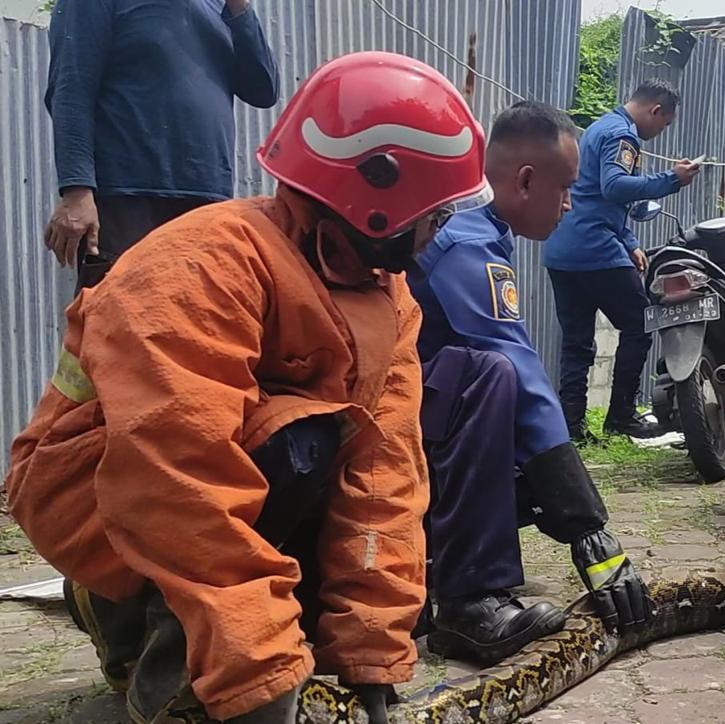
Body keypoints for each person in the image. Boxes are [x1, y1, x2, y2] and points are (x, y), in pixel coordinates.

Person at [4, 52, 490, 724]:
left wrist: (371, 653)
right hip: (92, 490)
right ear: (380, 194)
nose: (443, 226)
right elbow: (178, 467)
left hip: (213, 485)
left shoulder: (386, 299)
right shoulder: (197, 266)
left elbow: (385, 477)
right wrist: (256, 670)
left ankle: (222, 637)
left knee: (335, 444)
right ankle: (141, 630)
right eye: (438, 210)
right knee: (303, 442)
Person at [408, 101, 651, 665]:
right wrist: (587, 525)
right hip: (386, 424)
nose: (568, 203)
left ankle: (431, 564)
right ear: (523, 180)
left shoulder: (482, 228)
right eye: (564, 188)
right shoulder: (465, 240)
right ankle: (468, 600)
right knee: (490, 378)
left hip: (414, 423)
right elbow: (513, 362)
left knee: (519, 442)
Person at [41, 0, 279, 287]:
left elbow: (264, 89)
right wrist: (76, 190)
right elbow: (71, 89)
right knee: (123, 311)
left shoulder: (219, 6)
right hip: (128, 200)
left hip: (206, 201)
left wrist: (239, 7)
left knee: (197, 313)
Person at [543, 79, 702, 440]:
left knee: (576, 342)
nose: (661, 132)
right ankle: (621, 416)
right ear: (655, 110)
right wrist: (672, 179)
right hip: (595, 249)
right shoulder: (623, 135)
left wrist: (629, 240)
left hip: (563, 248)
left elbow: (594, 196)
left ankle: (571, 426)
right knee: (640, 323)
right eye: (664, 124)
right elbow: (614, 186)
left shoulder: (599, 128)